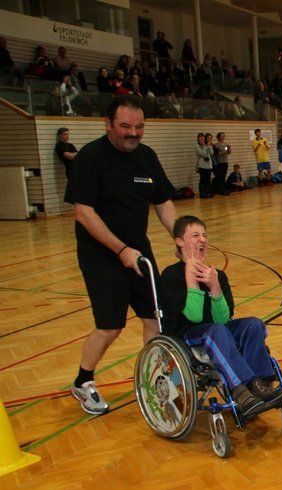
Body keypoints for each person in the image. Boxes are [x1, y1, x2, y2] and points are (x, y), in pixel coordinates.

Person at [64, 96, 177, 415]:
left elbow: (163, 202)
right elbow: (84, 213)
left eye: (139, 127)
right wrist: (121, 250)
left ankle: (154, 378)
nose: (133, 133)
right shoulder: (90, 158)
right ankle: (83, 381)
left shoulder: (147, 156)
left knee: (155, 317)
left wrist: (180, 235)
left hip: (139, 252)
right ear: (108, 124)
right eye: (126, 126)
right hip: (101, 256)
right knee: (110, 326)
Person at [160, 215, 282, 417]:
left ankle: (260, 384)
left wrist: (215, 287)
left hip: (216, 330)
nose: (203, 239)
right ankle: (241, 392)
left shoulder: (217, 274)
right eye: (195, 235)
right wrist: (192, 282)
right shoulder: (171, 275)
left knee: (253, 324)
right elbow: (193, 317)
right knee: (216, 331)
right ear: (179, 241)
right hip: (186, 334)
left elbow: (223, 319)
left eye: (205, 235)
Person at [195, 133, 214, 198]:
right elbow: (203, 154)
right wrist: (204, 146)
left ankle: (207, 192)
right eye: (200, 137)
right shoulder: (197, 146)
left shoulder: (207, 145)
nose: (202, 138)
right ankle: (202, 194)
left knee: (208, 180)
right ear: (198, 139)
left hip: (209, 165)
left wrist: (208, 146)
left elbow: (211, 153)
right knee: (202, 180)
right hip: (202, 166)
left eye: (202, 137)